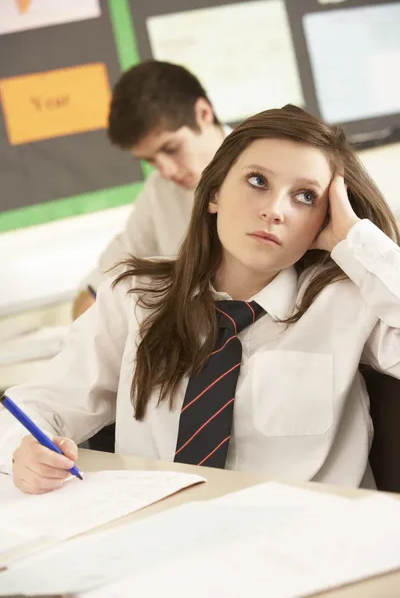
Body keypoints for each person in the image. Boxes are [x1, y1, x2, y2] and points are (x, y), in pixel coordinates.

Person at [2, 104, 400, 494]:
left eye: (306, 197)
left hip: (306, 541)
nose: (274, 211)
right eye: (258, 181)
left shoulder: (346, 300)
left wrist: (354, 239)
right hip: (158, 534)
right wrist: (23, 453)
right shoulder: (137, 296)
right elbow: (37, 407)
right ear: (214, 194)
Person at [73, 60, 230, 319]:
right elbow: (109, 275)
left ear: (204, 113)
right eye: (151, 160)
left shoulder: (274, 171)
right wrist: (87, 314)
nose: (165, 170)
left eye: (171, 148)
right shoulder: (159, 191)